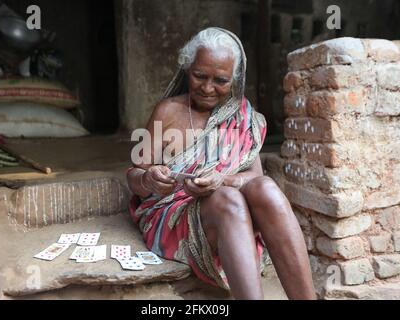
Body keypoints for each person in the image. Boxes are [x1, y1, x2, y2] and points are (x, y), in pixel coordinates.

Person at [126, 27, 316, 300]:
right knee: (229, 199)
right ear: (187, 68)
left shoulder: (243, 117)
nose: (207, 88)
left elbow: (254, 179)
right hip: (174, 215)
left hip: (226, 216)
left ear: (235, 78)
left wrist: (222, 179)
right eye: (199, 76)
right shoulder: (167, 111)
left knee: (267, 190)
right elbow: (134, 176)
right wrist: (148, 178)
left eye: (221, 80)